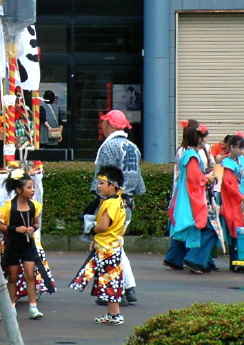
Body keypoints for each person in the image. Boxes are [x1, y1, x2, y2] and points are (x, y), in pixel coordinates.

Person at [90, 110, 144, 305]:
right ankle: (128, 288)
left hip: (111, 203)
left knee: (110, 247)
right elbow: (139, 183)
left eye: (104, 123)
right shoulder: (133, 147)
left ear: (110, 125)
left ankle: (116, 291)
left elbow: (102, 178)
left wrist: (97, 201)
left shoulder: (108, 147)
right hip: (127, 204)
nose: (102, 126)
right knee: (116, 246)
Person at [0, 165, 56, 320]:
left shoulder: (34, 206)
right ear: (19, 190)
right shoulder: (8, 207)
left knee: (30, 274)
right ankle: (11, 306)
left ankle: (33, 307)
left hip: (28, 244)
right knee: (13, 276)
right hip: (12, 246)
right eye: (29, 187)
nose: (33, 190)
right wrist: (15, 229)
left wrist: (31, 228)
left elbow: (36, 224)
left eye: (33, 187)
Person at [70, 165, 127, 326]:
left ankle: (115, 315)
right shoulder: (119, 201)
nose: (98, 186)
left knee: (109, 281)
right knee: (110, 281)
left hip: (107, 249)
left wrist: (91, 230)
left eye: (102, 183)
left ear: (112, 185)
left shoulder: (110, 204)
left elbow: (103, 226)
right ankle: (112, 314)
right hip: (112, 246)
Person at [163, 122, 218, 273]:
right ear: (198, 138)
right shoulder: (192, 156)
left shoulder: (186, 153)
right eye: (204, 138)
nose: (205, 141)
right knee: (209, 228)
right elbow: (195, 179)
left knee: (190, 228)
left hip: (185, 196)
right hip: (192, 198)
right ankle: (196, 260)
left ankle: (183, 259)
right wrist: (208, 178)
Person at [219, 135, 244, 266]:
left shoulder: (240, 159)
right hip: (232, 199)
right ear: (231, 147)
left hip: (242, 198)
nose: (242, 151)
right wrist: (240, 196)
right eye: (240, 148)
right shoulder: (227, 163)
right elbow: (228, 184)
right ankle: (236, 260)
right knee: (235, 228)